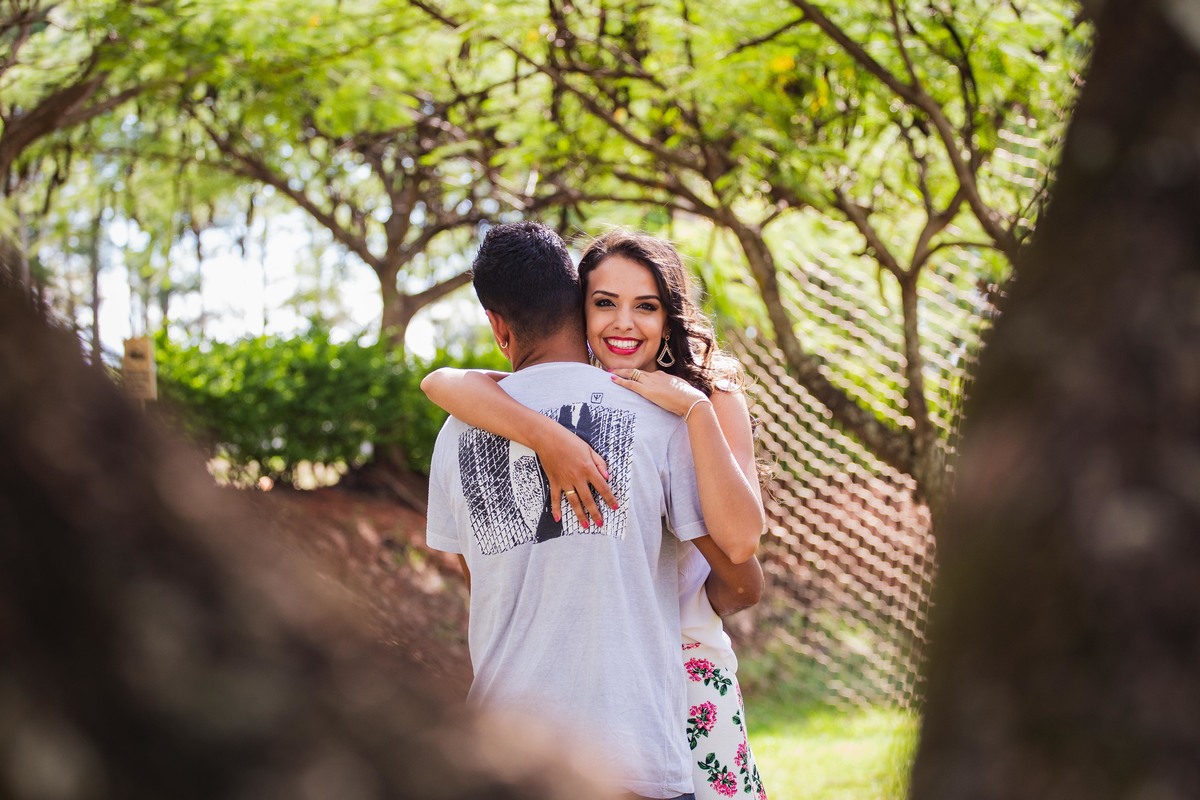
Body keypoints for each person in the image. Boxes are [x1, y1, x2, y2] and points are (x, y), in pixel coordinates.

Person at [423, 229, 770, 799]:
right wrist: (549, 439)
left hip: (661, 681)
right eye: (605, 303)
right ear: (576, 307)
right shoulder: (637, 418)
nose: (623, 323)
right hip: (636, 726)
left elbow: (741, 552)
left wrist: (696, 410)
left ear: (498, 327)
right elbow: (443, 382)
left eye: (645, 306)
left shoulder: (700, 403)